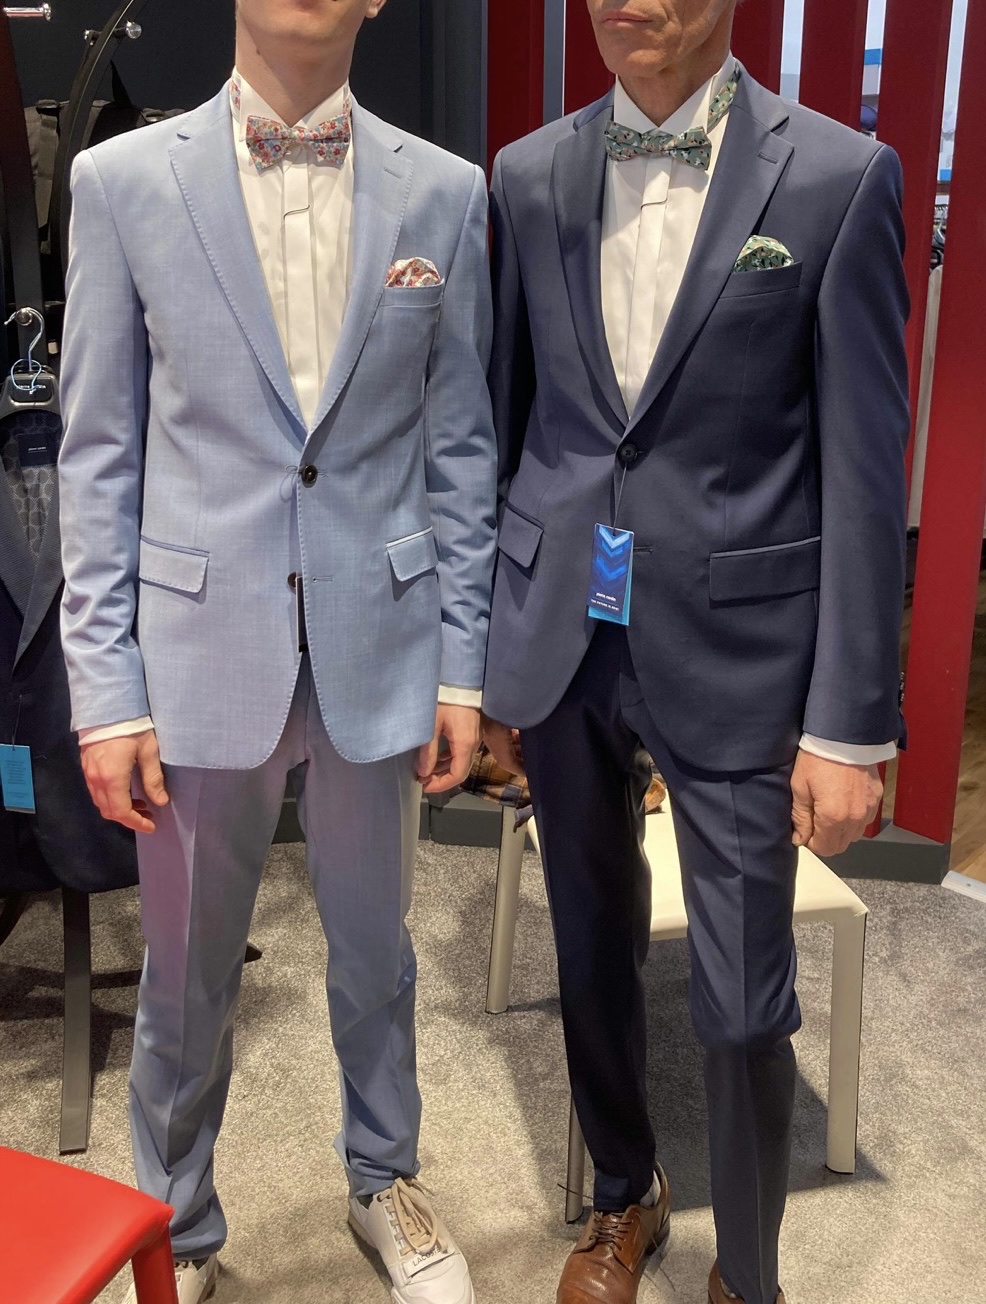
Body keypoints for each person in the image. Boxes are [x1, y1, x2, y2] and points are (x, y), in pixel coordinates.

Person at [58, 2, 496, 1300]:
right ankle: (174, 1225)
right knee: (185, 977)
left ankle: (385, 1176)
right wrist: (105, 692)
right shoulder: (121, 184)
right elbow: (98, 454)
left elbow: (461, 447)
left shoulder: (446, 194)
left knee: (378, 956)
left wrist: (461, 664)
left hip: (383, 641)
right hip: (198, 650)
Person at [481, 3, 908, 1303]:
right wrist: (489, 656)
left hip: (739, 644)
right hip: (566, 629)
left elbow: (862, 466)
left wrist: (848, 724)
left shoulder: (837, 177)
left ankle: (750, 1272)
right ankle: (625, 1194)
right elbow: (511, 422)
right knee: (587, 941)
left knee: (742, 994)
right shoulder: (526, 176)